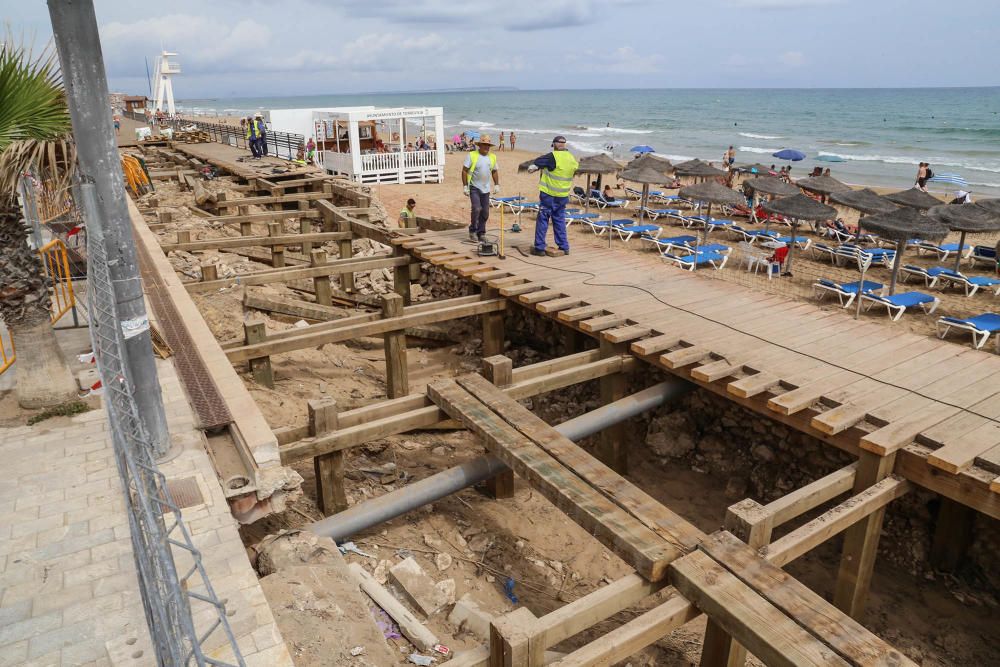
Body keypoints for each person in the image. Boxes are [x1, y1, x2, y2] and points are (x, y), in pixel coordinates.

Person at [526, 135, 579, 256]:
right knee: (559, 219)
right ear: (565, 145)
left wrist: (536, 167)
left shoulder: (552, 156)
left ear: (554, 144)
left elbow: (539, 161)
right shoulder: (571, 158)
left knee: (543, 218)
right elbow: (575, 167)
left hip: (549, 194)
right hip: (563, 195)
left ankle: (539, 248)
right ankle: (564, 247)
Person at [461, 134, 500, 242]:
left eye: (488, 145)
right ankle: (472, 230)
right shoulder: (472, 155)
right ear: (480, 145)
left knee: (485, 213)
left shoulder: (492, 157)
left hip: (486, 189)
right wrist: (465, 186)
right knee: (477, 209)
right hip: (474, 187)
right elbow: (464, 170)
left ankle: (481, 233)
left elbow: (495, 171)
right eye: (484, 145)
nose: (486, 147)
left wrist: (497, 184)